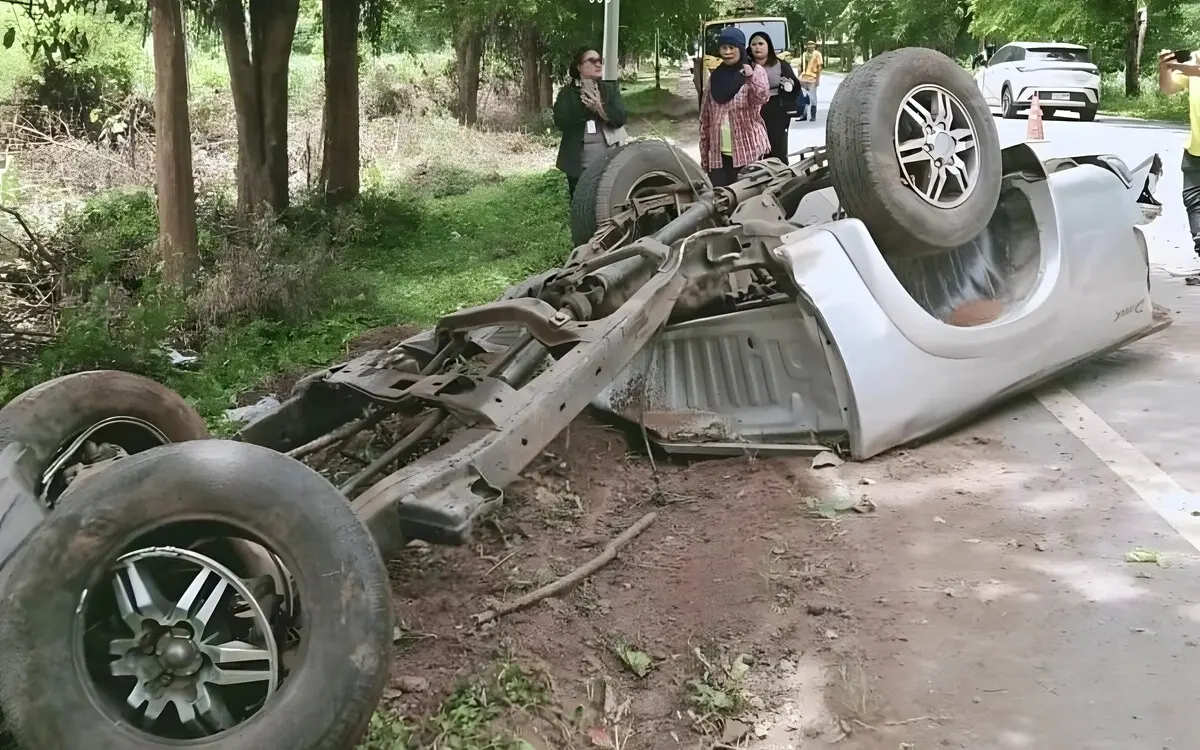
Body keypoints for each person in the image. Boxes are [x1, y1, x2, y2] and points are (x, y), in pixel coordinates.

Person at [698, 27, 771, 188]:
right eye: (724, 47)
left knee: (747, 202)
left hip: (748, 153)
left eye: (732, 47)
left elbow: (762, 98)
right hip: (718, 156)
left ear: (740, 48)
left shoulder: (754, 71)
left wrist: (751, 78)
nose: (727, 51)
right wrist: (705, 157)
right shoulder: (715, 76)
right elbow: (705, 118)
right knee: (722, 202)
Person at [553, 47, 628, 201]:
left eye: (600, 61)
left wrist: (600, 109)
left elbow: (620, 118)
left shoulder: (610, 89)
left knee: (608, 202)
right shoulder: (567, 94)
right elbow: (561, 122)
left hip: (609, 161)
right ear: (578, 66)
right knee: (581, 204)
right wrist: (586, 109)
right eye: (592, 61)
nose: (598, 64)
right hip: (578, 165)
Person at [1159, 48, 1200, 275]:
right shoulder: (1195, 57)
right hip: (1195, 150)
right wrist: (1165, 68)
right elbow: (1168, 88)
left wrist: (1183, 67)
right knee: (1194, 205)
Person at [748, 31, 802, 164]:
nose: (757, 47)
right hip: (751, 110)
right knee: (756, 145)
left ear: (768, 46)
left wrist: (788, 85)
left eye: (761, 43)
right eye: (754, 44)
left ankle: (780, 173)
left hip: (777, 109)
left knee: (777, 144)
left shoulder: (781, 65)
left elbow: (795, 86)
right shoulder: (746, 65)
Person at [799, 40, 824, 121]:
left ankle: (813, 115)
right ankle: (804, 115)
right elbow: (800, 66)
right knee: (804, 97)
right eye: (808, 45)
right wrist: (798, 77)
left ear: (814, 46)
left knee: (813, 98)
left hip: (813, 78)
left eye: (811, 45)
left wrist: (818, 79)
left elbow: (819, 67)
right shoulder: (804, 54)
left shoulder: (817, 54)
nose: (810, 46)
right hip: (804, 78)